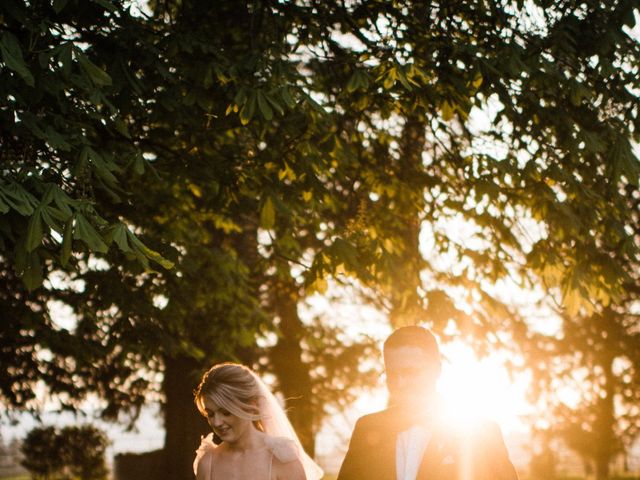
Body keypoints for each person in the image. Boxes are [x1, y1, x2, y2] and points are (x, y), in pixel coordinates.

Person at [337, 325, 519, 480]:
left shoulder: (481, 433)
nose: (400, 383)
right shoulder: (367, 429)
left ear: (436, 370)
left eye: (410, 372)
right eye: (392, 374)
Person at [193, 362, 324, 480]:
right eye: (210, 414)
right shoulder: (207, 463)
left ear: (252, 405)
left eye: (226, 412)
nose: (217, 422)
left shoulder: (282, 460)